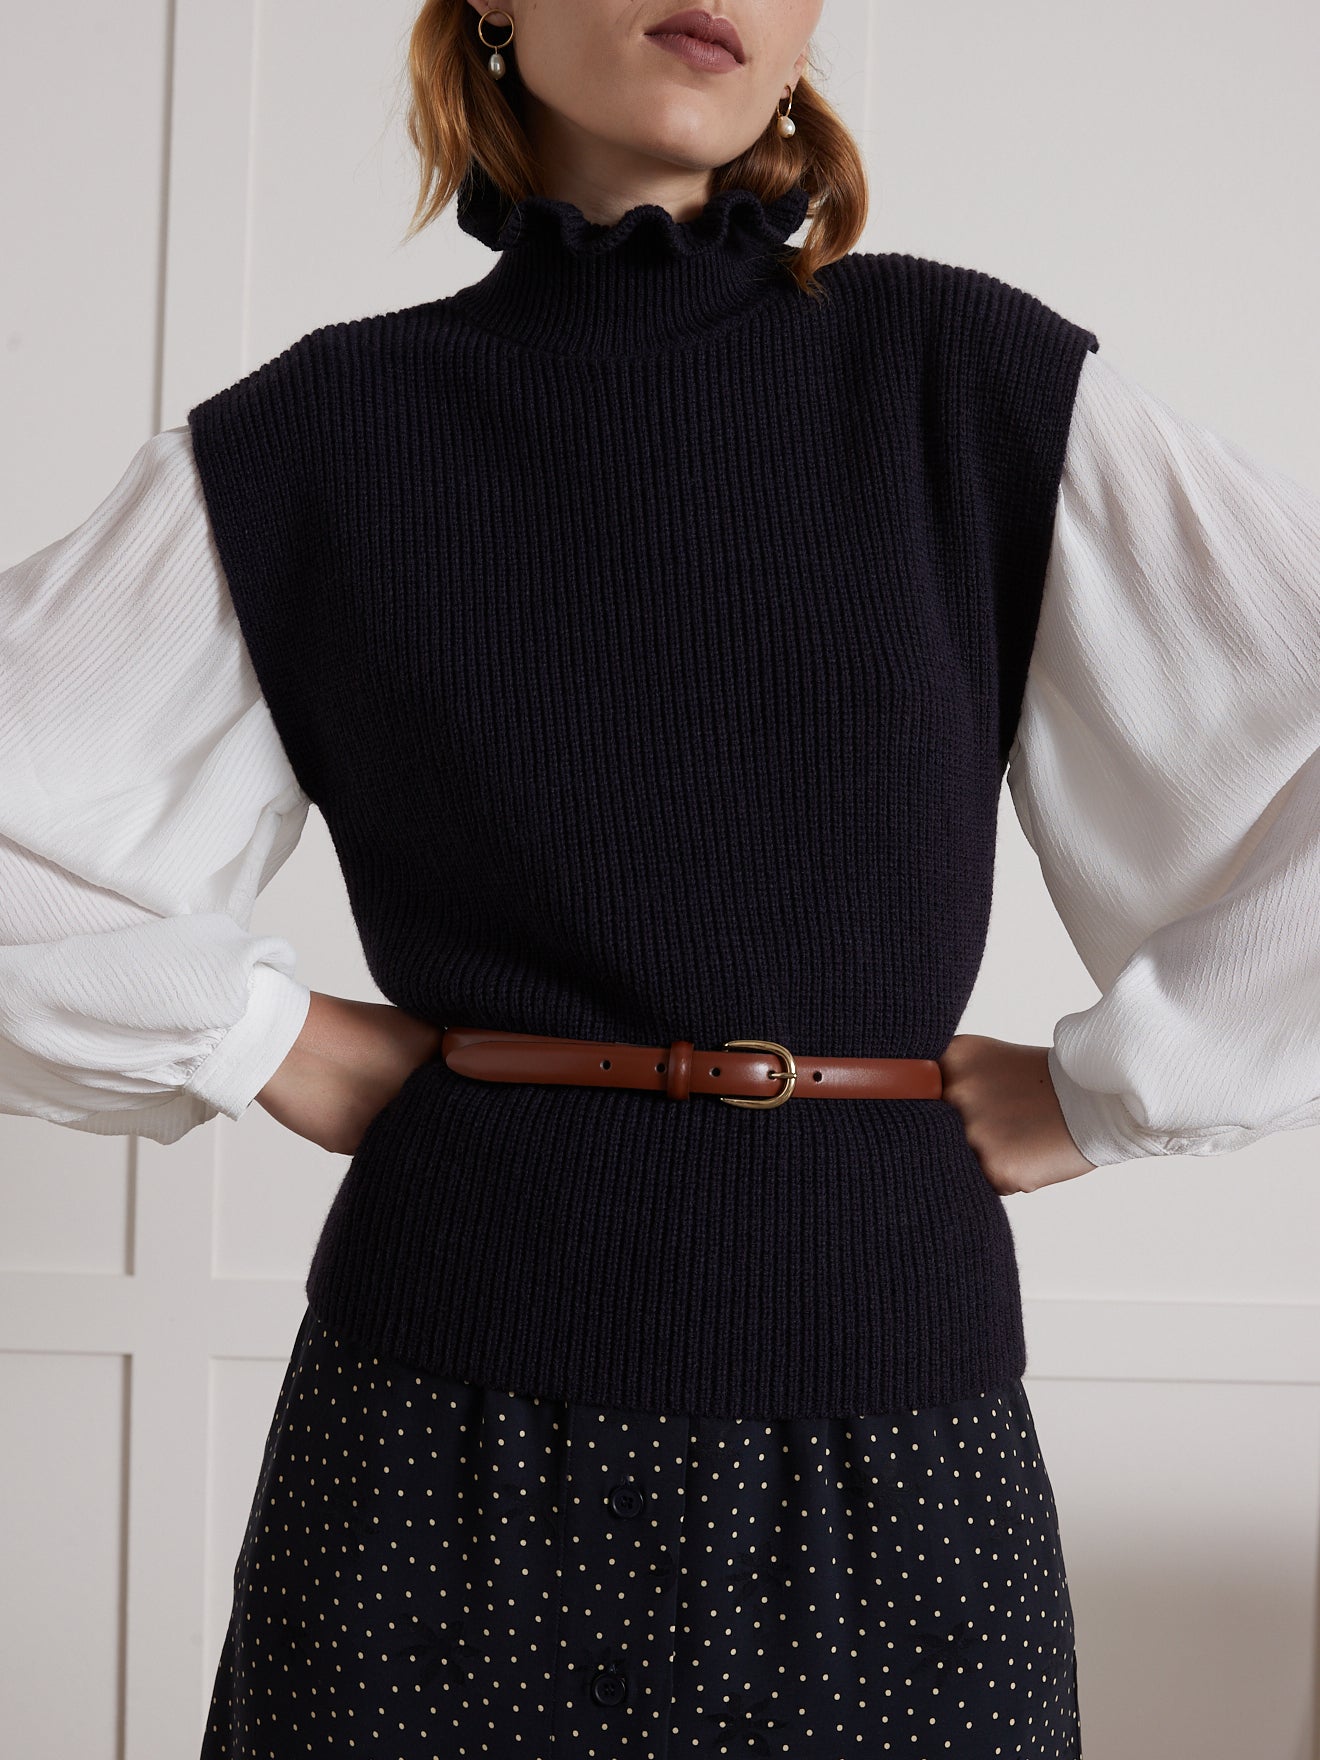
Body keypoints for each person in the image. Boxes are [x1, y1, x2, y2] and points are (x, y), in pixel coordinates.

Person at [3, 2, 1318, 1754]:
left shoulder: (970, 383)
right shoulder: (322, 434)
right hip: (434, 1450)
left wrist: (1119, 1092)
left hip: (892, 1441)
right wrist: (258, 1037)